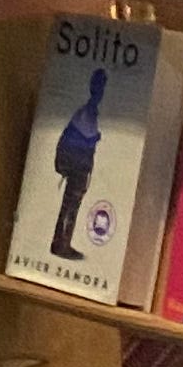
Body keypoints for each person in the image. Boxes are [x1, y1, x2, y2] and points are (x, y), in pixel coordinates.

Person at [49, 64, 110, 261]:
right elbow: (85, 134)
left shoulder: (88, 109)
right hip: (77, 163)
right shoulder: (89, 110)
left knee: (70, 204)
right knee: (71, 204)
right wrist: (95, 138)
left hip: (75, 161)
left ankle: (61, 242)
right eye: (100, 86)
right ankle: (62, 244)